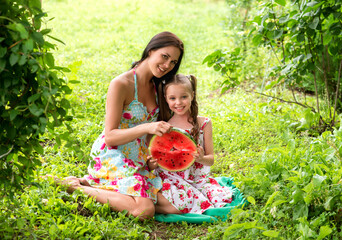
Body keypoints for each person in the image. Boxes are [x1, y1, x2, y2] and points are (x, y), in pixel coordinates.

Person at [48, 31, 185, 220]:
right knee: (143, 211)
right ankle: (76, 187)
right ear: (151, 50)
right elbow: (110, 136)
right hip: (114, 154)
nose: (167, 65)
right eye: (164, 56)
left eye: (173, 62)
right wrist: (146, 128)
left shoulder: (160, 86)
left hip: (140, 157)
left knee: (174, 206)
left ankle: (93, 184)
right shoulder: (121, 83)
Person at [148, 74, 233, 214]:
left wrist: (201, 158)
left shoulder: (204, 123)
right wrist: (152, 164)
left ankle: (153, 206)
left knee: (214, 199)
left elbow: (211, 159)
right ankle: (150, 205)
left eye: (184, 97)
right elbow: (153, 162)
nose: (178, 103)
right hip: (172, 178)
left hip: (198, 179)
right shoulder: (163, 127)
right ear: (165, 99)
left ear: (192, 95)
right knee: (185, 202)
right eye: (172, 98)